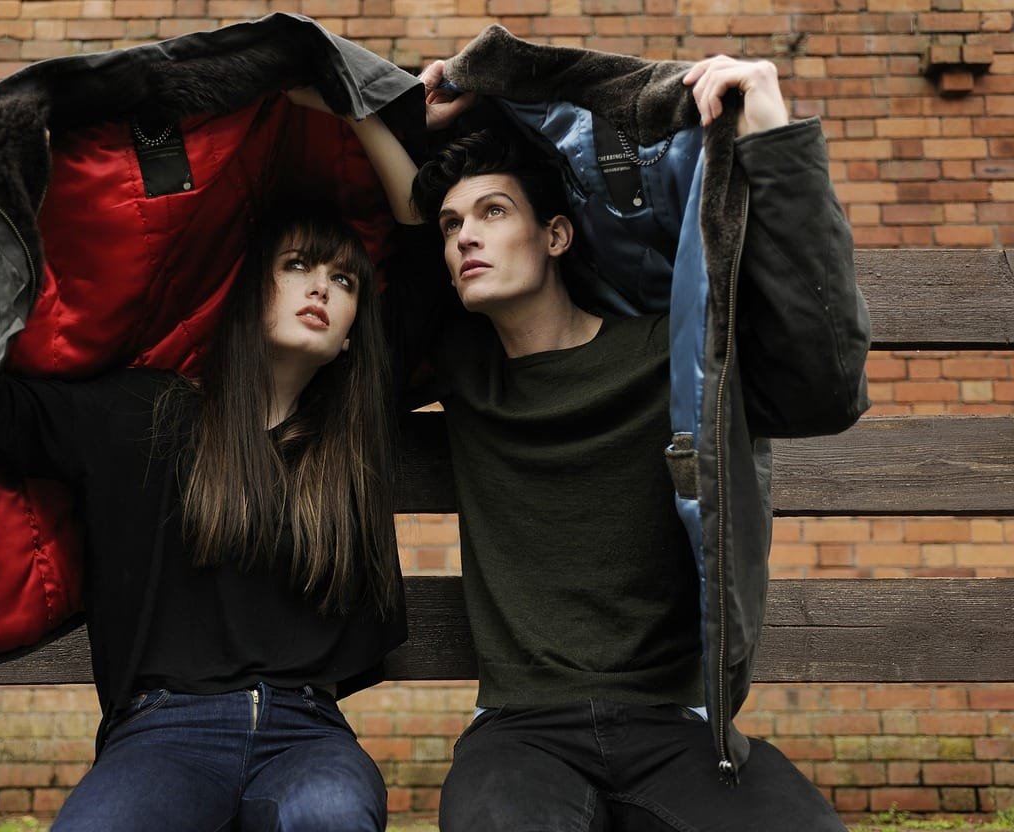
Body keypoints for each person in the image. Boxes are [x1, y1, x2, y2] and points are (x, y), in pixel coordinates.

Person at [303, 33, 870, 831]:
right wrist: (401, 122)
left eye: (494, 212)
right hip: (521, 731)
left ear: (557, 236)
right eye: (453, 224)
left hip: (676, 725)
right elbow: (394, 224)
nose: (465, 234)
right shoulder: (459, 365)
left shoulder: (670, 360)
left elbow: (827, 386)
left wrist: (771, 132)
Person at [0, 211, 405, 831]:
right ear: (248, 290)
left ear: (353, 334)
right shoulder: (143, 415)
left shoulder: (346, 458)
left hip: (307, 734)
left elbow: (430, 259)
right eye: (297, 266)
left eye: (345, 281)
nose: (321, 289)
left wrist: (367, 120)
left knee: (329, 813)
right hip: (164, 733)